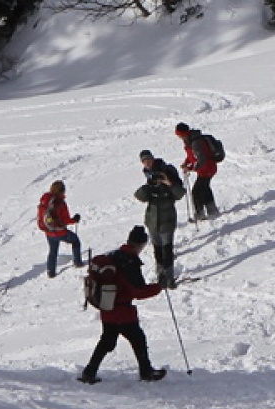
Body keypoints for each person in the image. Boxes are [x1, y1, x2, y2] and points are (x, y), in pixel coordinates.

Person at [78, 226, 167, 384]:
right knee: (138, 339)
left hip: (107, 308)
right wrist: (159, 287)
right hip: (123, 312)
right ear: (140, 245)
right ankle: (146, 372)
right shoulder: (130, 262)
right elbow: (138, 292)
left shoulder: (114, 256)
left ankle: (89, 373)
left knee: (107, 341)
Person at [135, 149, 185, 287]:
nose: (147, 163)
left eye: (148, 160)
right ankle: (160, 276)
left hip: (167, 219)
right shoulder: (148, 175)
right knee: (157, 250)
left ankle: (169, 278)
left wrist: (169, 183)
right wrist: (148, 186)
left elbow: (180, 194)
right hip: (152, 220)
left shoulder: (166, 170)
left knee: (167, 250)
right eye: (144, 161)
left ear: (153, 158)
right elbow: (139, 196)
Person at [174, 122, 220, 220]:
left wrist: (190, 168)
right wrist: (186, 163)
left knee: (196, 191)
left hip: (207, 168)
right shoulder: (191, 140)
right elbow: (192, 156)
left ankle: (200, 213)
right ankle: (212, 210)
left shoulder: (195, 142)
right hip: (207, 168)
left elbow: (201, 159)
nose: (179, 137)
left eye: (179, 135)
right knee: (205, 188)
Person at [37, 180, 82, 278]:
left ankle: (51, 272)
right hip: (60, 232)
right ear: (62, 191)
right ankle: (77, 262)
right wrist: (74, 220)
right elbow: (65, 219)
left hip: (49, 232)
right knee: (75, 241)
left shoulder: (45, 201)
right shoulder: (60, 203)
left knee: (53, 252)